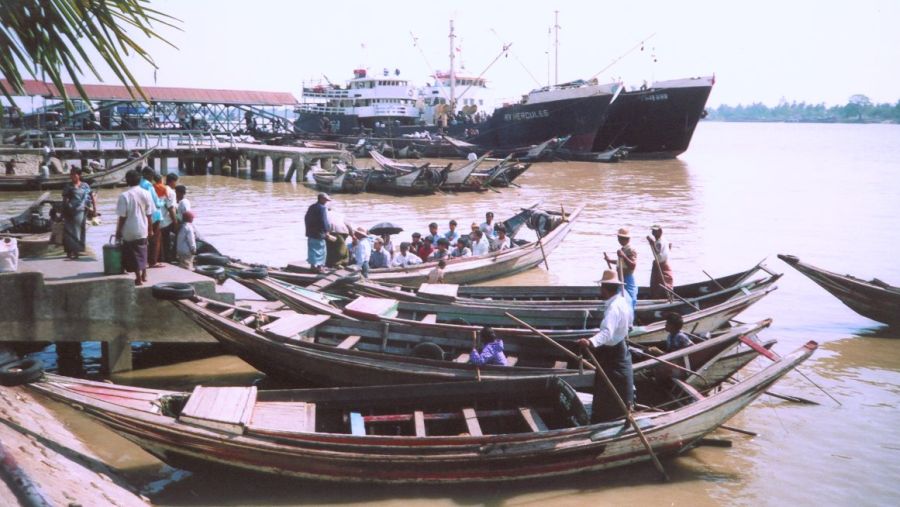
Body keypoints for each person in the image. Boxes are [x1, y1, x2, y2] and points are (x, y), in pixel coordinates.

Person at [577, 270, 635, 423]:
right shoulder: (622, 301)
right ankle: (619, 412)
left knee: (608, 388)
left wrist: (590, 342)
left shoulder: (613, 308)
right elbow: (628, 324)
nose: (600, 290)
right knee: (613, 386)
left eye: (601, 287)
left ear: (605, 288)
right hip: (620, 348)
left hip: (613, 352)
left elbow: (607, 333)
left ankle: (609, 417)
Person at [116, 169, 154, 286]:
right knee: (143, 249)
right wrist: (150, 229)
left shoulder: (124, 196)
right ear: (139, 180)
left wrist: (118, 231)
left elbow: (122, 216)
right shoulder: (146, 193)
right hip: (143, 227)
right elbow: (149, 214)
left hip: (129, 229)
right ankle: (144, 274)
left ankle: (138, 278)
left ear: (127, 181)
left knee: (133, 254)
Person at [61, 167, 97, 260]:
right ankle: (69, 252)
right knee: (68, 232)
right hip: (69, 211)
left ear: (79, 175)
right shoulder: (68, 186)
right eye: (71, 174)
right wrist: (63, 212)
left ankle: (76, 251)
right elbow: (64, 200)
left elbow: (92, 197)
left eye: (74, 174)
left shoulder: (85, 185)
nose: (72, 176)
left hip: (80, 211)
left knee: (78, 231)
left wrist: (94, 210)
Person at [604, 227, 637, 312]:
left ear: (625, 239)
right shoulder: (623, 249)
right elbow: (620, 262)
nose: (618, 240)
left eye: (620, 238)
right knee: (621, 299)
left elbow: (632, 265)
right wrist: (610, 260)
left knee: (629, 299)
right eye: (618, 238)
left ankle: (629, 320)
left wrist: (624, 256)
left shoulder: (630, 250)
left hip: (627, 279)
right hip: (620, 278)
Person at [139, 167, 163, 267]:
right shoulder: (149, 186)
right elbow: (156, 202)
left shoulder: (139, 184)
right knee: (155, 239)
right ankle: (153, 262)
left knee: (145, 239)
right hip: (154, 215)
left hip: (142, 214)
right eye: (152, 175)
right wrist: (163, 201)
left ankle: (144, 260)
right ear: (149, 175)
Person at [304, 193, 331, 272]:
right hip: (319, 234)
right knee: (321, 250)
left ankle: (312, 266)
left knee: (312, 249)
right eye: (326, 200)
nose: (326, 202)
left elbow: (306, 218)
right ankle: (320, 267)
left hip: (311, 233)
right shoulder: (322, 208)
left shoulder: (312, 207)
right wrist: (326, 231)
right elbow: (324, 221)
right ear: (321, 199)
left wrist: (308, 229)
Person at [648, 225, 674, 299]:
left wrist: (651, 243)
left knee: (660, 284)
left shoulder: (659, 242)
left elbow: (657, 252)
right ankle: (665, 296)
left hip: (662, 266)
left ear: (660, 232)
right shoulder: (664, 240)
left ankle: (663, 297)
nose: (653, 233)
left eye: (655, 231)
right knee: (659, 284)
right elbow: (669, 246)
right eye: (652, 231)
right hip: (662, 264)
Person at [158, 173, 179, 263]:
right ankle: (171, 256)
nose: (176, 184)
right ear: (173, 181)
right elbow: (171, 209)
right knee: (180, 232)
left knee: (163, 240)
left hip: (158, 220)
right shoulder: (171, 192)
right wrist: (175, 223)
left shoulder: (160, 188)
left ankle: (163, 258)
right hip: (166, 222)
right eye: (176, 182)